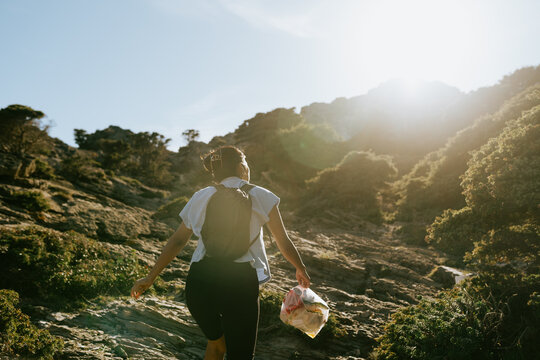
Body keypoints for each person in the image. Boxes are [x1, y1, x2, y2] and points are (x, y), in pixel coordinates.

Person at [131, 145, 310, 360]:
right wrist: (300, 268)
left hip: (199, 282)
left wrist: (150, 277)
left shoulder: (201, 196)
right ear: (241, 166)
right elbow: (283, 240)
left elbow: (178, 240)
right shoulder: (262, 195)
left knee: (216, 344)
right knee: (240, 355)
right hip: (240, 282)